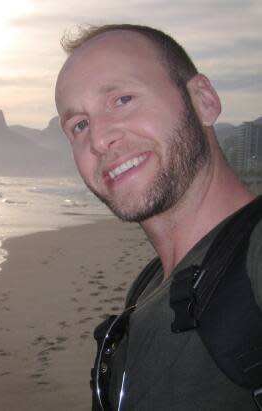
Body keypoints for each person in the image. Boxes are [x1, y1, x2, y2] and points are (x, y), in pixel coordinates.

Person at [54, 24, 262, 410]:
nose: (99, 140)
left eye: (123, 99)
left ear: (203, 100)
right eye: (79, 125)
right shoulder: (148, 288)